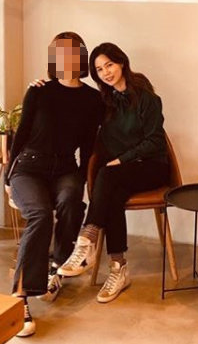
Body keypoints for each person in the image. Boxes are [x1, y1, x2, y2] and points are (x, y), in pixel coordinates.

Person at [6, 31, 103, 337]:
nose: (66, 58)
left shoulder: (92, 99)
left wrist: (85, 180)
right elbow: (21, 133)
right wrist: (9, 176)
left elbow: (88, 145)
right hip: (29, 168)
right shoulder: (39, 91)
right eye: (60, 53)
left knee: (72, 201)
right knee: (40, 215)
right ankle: (20, 298)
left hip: (65, 168)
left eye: (72, 52)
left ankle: (57, 267)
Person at [56, 42, 170, 303]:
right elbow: (73, 107)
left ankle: (86, 240)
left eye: (109, 65)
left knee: (107, 176)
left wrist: (122, 159)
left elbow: (155, 141)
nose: (106, 72)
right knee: (113, 197)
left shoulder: (147, 98)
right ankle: (119, 268)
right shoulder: (104, 103)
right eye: (99, 69)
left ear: (122, 63)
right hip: (121, 172)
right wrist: (43, 85)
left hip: (152, 166)